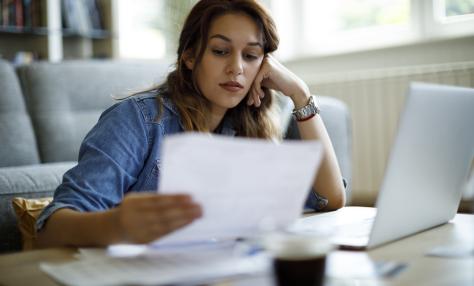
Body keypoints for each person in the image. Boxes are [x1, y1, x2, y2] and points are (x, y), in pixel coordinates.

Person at [36, 0, 346, 248]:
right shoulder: (140, 120)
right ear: (189, 56)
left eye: (251, 56)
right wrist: (117, 224)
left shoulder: (250, 129)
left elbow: (329, 199)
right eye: (220, 51)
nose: (236, 68)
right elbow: (51, 228)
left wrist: (301, 95)